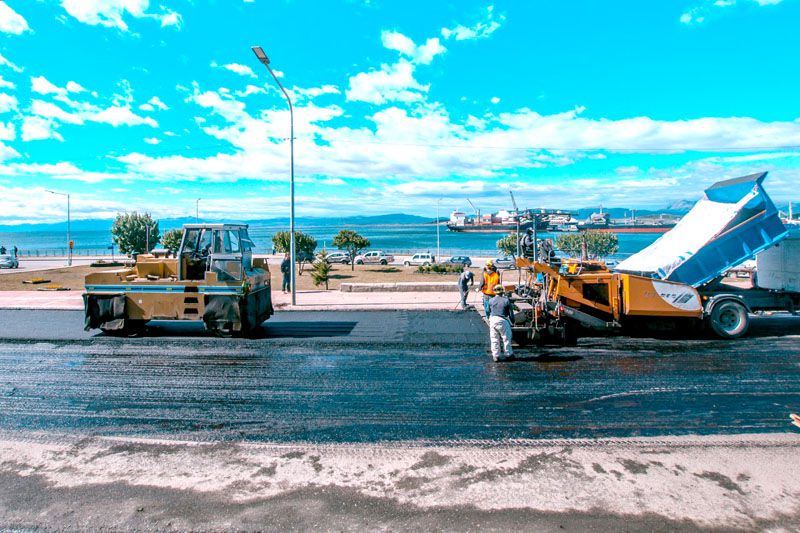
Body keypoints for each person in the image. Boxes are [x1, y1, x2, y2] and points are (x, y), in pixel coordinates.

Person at [488, 284, 515, 362]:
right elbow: (511, 314)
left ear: (494, 292)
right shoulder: (506, 300)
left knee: (494, 338)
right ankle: (508, 354)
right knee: (506, 338)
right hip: (502, 320)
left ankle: (496, 356)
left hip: (493, 320)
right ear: (503, 291)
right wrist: (513, 322)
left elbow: (487, 310)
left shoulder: (491, 300)